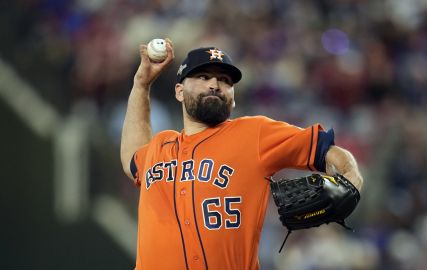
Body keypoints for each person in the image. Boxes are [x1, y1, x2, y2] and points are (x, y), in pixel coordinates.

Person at [120, 38, 364, 270]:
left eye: (225, 80)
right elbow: (132, 156)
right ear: (179, 91)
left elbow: (328, 150)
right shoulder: (160, 147)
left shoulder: (254, 133)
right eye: (203, 76)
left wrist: (352, 176)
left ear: (233, 99)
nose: (214, 84)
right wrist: (141, 85)